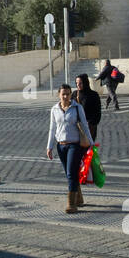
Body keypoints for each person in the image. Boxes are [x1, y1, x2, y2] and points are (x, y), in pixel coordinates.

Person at [46, 84, 92, 213]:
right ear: (59, 95)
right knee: (69, 174)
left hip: (75, 145)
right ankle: (79, 198)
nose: (66, 96)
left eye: (68, 94)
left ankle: (71, 204)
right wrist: (49, 146)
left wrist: (91, 144)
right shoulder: (54, 109)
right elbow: (52, 128)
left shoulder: (77, 108)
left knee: (71, 173)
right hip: (61, 145)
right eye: (63, 94)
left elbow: (85, 125)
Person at [74, 72, 102, 144]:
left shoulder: (93, 95)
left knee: (88, 148)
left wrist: (91, 123)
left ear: (85, 83)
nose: (78, 85)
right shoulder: (74, 94)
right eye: (77, 83)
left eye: (80, 83)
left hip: (89, 127)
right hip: (76, 127)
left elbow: (97, 112)